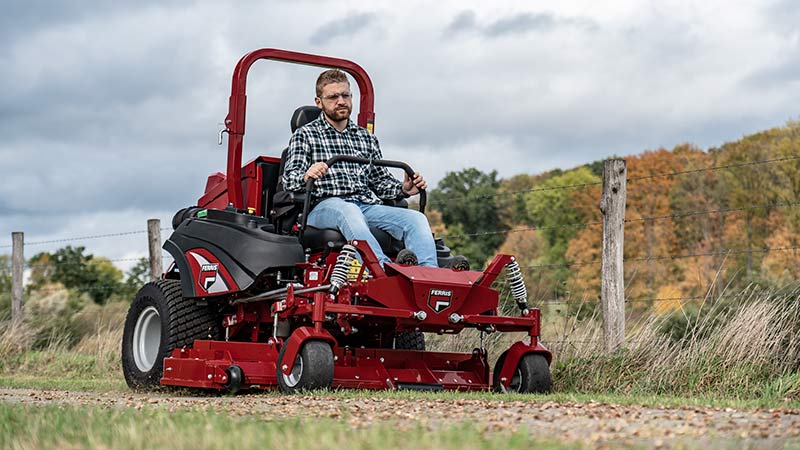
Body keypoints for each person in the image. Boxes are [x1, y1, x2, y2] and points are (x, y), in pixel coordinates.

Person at [282, 69, 438, 267]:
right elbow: (289, 179)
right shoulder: (305, 135)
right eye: (333, 97)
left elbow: (380, 181)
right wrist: (307, 175)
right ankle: (381, 270)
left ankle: (427, 276)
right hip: (323, 206)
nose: (341, 101)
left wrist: (404, 189)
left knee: (415, 219)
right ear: (319, 102)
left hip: (365, 206)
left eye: (345, 95)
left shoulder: (366, 137)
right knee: (348, 211)